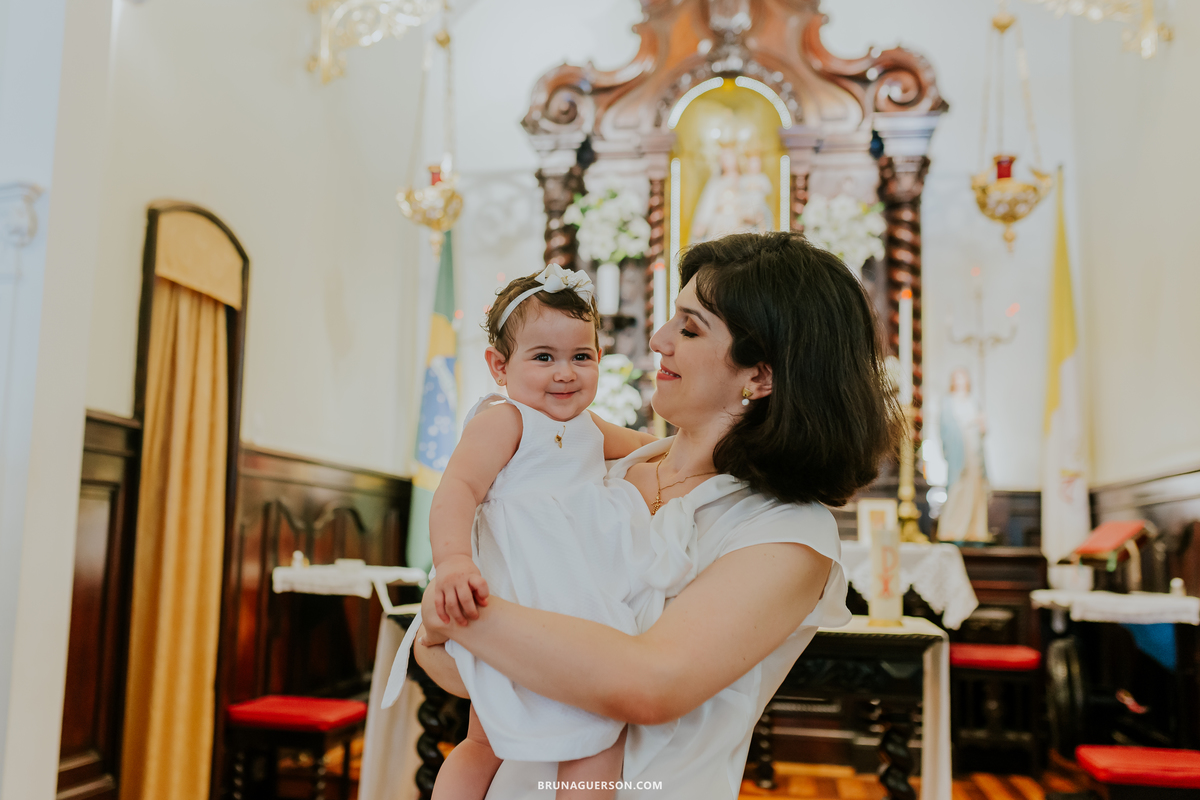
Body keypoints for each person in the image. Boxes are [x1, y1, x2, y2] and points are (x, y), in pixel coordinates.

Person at [414, 231, 900, 799]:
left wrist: (459, 620)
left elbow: (649, 685)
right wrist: (451, 631)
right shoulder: (596, 474)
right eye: (672, 317)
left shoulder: (785, 530)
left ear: (760, 375)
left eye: (690, 328)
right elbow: (457, 670)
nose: (659, 338)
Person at [382, 263, 660, 800]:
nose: (565, 372)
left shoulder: (589, 428)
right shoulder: (504, 421)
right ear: (499, 366)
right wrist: (455, 561)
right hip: (512, 589)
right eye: (543, 357)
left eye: (581, 357)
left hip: (577, 594)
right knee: (485, 738)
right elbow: (457, 490)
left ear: (599, 361)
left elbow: (655, 449)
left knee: (600, 728)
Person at [937, 367, 991, 543]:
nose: (961, 381)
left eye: (963, 378)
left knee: (975, 490)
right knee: (958, 490)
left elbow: (982, 430)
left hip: (974, 452)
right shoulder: (948, 402)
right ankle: (953, 529)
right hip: (959, 453)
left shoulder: (973, 401)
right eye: (957, 378)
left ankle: (974, 530)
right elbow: (946, 429)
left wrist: (981, 424)